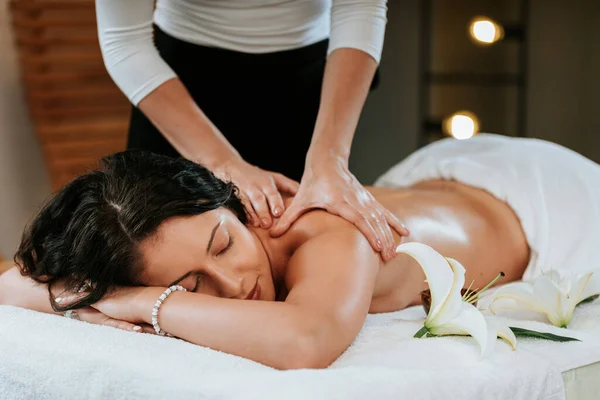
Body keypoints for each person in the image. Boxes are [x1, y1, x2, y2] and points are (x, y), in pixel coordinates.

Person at [2, 133, 600, 370]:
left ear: (233, 203)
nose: (233, 283)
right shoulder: (173, 242)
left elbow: (307, 340)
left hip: (543, 202)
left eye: (223, 244)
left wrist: (139, 302)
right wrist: (88, 288)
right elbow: (12, 286)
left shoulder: (328, 232)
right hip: (435, 183)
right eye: (191, 285)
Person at [95, 0, 408, 262]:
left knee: (296, 255)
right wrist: (220, 160)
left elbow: (359, 7)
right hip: (178, 86)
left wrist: (331, 159)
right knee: (147, 256)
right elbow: (125, 41)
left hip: (310, 86)